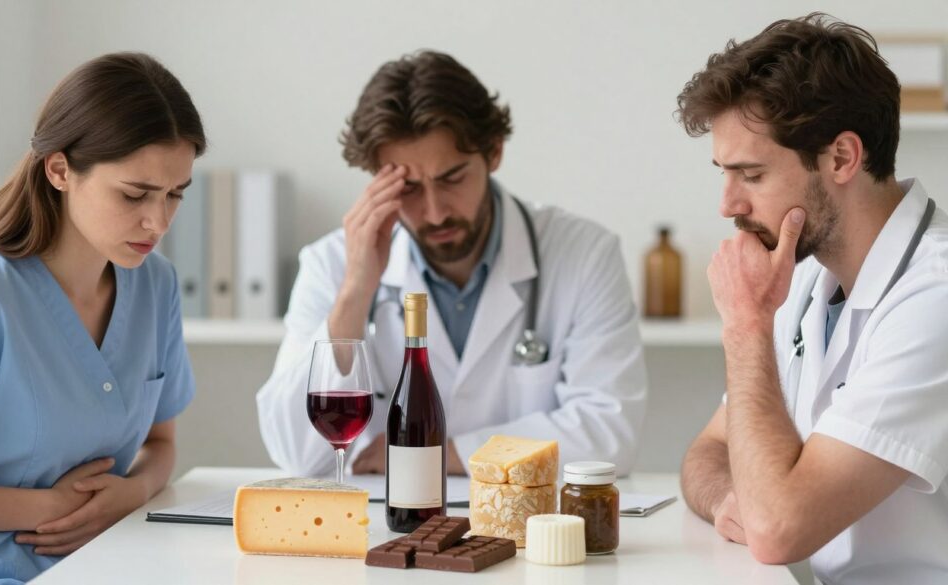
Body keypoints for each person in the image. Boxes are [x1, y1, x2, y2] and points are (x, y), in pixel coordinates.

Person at [258, 50, 647, 479]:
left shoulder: (584, 253)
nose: (436, 212)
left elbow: (608, 434)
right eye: (407, 187)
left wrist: (435, 454)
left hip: (527, 529)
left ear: (494, 152)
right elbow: (297, 453)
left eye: (452, 178)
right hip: (387, 528)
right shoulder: (332, 264)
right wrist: (356, 290)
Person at [677, 13, 948, 584]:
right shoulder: (804, 272)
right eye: (723, 174)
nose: (727, 205)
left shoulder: (935, 298)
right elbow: (706, 452)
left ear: (843, 159)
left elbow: (779, 532)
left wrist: (745, 325)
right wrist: (732, 496)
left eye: (749, 174)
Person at [0, 52, 204, 583]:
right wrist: (46, 509)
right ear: (60, 170)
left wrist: (133, 492)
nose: (158, 220)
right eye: (135, 194)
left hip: (110, 562)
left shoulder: (156, 285)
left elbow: (161, 446)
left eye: (175, 195)